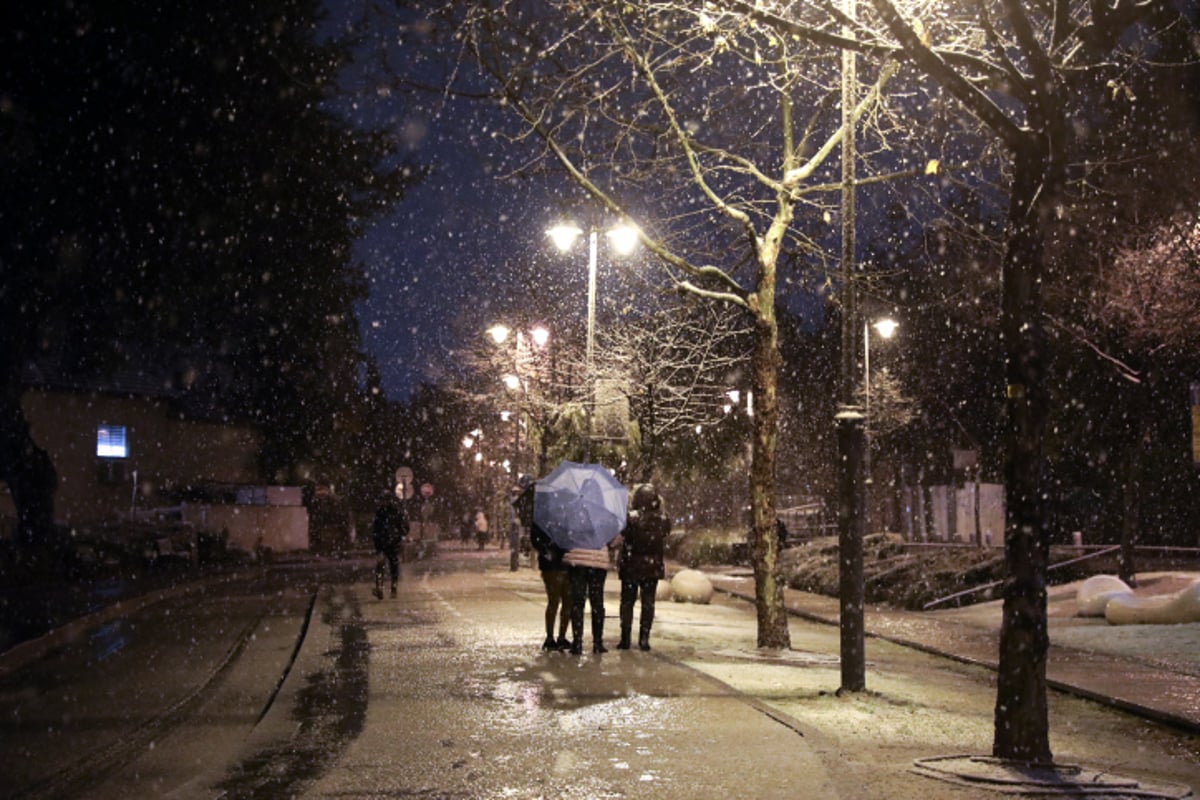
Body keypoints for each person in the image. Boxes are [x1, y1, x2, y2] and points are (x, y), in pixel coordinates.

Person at [616, 484, 670, 651]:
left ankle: (625, 638)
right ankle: (644, 639)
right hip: (651, 568)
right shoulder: (663, 520)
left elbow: (624, 535)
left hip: (631, 566)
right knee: (648, 603)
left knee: (627, 602)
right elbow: (666, 533)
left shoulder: (630, 518)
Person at [564, 543, 611, 654]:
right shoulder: (604, 525)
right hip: (598, 561)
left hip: (577, 559)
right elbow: (615, 538)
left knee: (577, 602)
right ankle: (598, 642)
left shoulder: (574, 525)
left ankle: (577, 642)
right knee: (597, 602)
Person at [372, 493, 409, 598]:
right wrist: (400, 535)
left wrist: (377, 542)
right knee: (393, 566)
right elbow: (405, 526)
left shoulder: (381, 512)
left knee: (381, 566)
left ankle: (380, 587)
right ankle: (392, 588)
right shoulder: (397, 511)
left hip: (383, 543)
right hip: (392, 543)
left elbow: (376, 529)